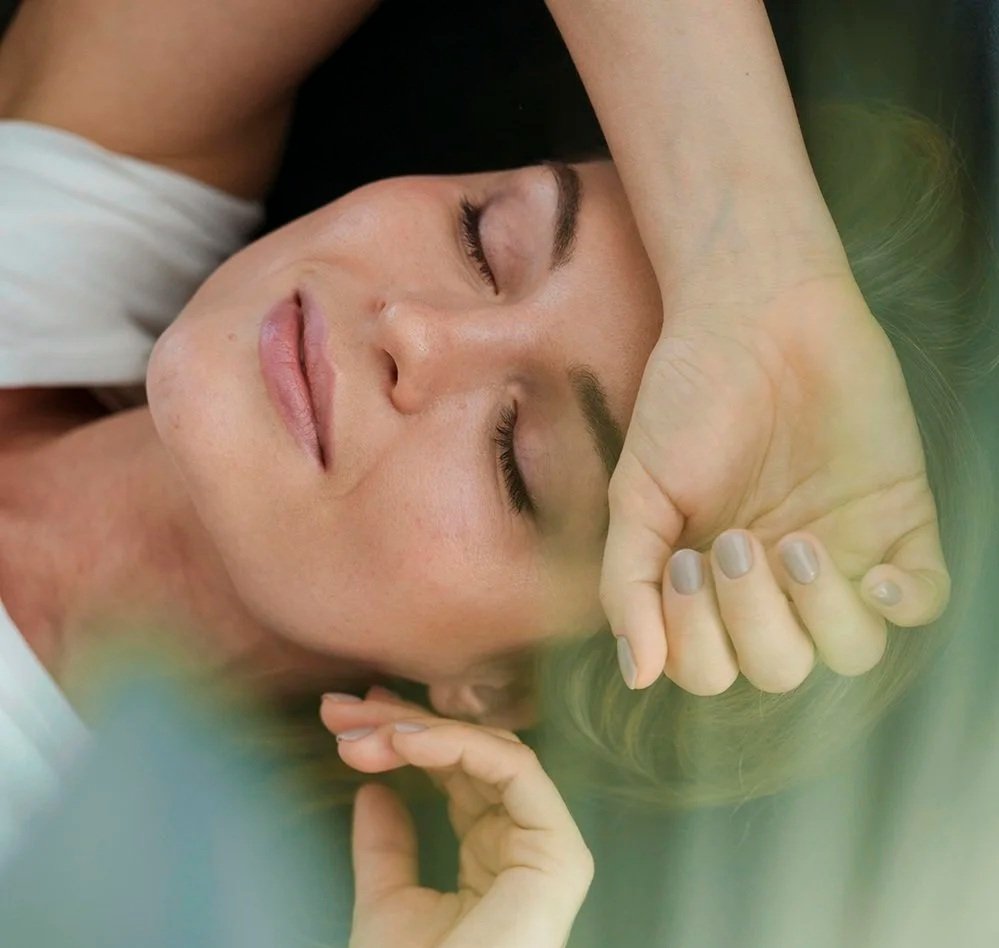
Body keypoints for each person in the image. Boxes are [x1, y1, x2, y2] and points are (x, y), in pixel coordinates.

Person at [0, 0, 990, 943]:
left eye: (518, 459)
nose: (415, 332)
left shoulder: (76, 886)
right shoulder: (76, 200)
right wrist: (757, 276)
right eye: (484, 239)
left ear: (499, 688)